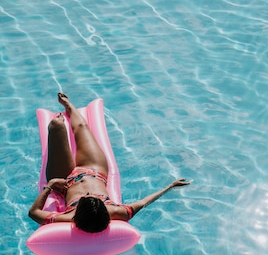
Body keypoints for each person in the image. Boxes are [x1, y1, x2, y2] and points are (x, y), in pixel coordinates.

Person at [29, 93, 190, 233]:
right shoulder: (117, 212)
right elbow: (144, 202)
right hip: (94, 169)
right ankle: (68, 104)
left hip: (64, 177)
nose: (88, 194)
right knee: (82, 126)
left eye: (84, 198)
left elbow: (33, 212)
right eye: (92, 197)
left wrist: (50, 184)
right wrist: (170, 186)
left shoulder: (68, 218)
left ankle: (60, 122)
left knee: (56, 125)